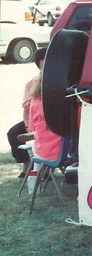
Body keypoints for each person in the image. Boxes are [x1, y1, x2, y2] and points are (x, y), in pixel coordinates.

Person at [6, 47, 46, 177]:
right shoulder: (32, 83)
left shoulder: (59, 80)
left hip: (51, 122)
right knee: (13, 133)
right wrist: (28, 125)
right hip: (35, 120)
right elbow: (26, 109)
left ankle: (46, 166)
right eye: (43, 62)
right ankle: (27, 163)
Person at [27, 65, 63, 163]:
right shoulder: (63, 101)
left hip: (42, 152)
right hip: (63, 152)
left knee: (37, 159)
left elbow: (32, 127)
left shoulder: (35, 102)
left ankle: (34, 172)